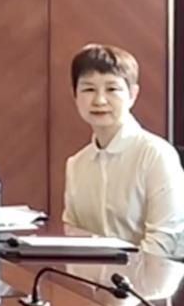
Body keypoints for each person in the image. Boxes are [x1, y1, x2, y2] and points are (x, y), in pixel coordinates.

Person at [63, 44, 184, 255]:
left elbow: (164, 240)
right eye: (89, 89)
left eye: (112, 89)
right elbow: (72, 233)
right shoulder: (76, 164)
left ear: (133, 94)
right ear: (75, 96)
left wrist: (125, 273)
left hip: (153, 274)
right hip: (91, 275)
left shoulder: (156, 155)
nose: (99, 100)